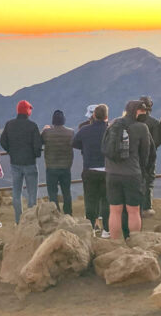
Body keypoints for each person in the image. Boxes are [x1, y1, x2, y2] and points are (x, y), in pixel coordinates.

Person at [103, 100, 152, 240]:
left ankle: (115, 243)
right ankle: (135, 242)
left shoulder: (113, 125)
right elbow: (145, 153)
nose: (145, 114)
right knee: (133, 211)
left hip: (112, 173)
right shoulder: (142, 128)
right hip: (132, 174)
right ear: (136, 111)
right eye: (142, 111)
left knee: (115, 211)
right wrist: (142, 171)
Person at [0, 100, 42, 225]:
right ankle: (31, 220)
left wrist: (11, 151)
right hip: (30, 163)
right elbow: (37, 145)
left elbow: (3, 141)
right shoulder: (32, 126)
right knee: (32, 193)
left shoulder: (9, 124)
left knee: (16, 193)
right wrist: (35, 154)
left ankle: (18, 221)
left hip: (15, 163)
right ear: (28, 111)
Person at [73, 104, 110, 237]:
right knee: (106, 200)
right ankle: (106, 230)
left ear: (94, 115)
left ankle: (91, 230)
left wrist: (86, 147)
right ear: (106, 116)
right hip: (107, 170)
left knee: (90, 200)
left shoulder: (85, 130)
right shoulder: (110, 129)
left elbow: (74, 143)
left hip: (89, 169)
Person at [41, 110, 74, 215]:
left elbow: (40, 141)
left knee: (52, 192)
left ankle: (56, 214)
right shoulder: (71, 132)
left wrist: (44, 130)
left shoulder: (47, 133)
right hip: (66, 167)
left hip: (51, 167)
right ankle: (68, 213)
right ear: (63, 120)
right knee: (66, 192)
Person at [137, 96, 161, 216]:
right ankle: (147, 207)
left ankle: (136, 206)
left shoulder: (133, 122)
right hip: (150, 157)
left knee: (136, 180)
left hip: (135, 157)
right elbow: (157, 141)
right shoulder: (155, 123)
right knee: (149, 181)